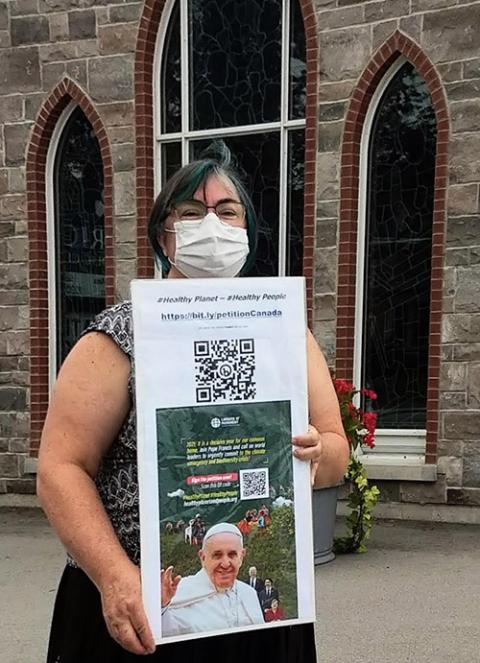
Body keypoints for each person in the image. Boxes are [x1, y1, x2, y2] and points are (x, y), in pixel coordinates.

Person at [38, 144, 349, 662]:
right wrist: (116, 578)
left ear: (246, 230)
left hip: (253, 614)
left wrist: (317, 453)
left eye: (227, 212)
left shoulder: (284, 331)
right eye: (190, 212)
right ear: (164, 233)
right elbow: (60, 467)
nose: (212, 224)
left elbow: (336, 449)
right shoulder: (117, 337)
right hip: (142, 606)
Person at [161, 523, 263, 636]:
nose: (225, 564)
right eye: (217, 555)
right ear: (203, 558)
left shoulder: (249, 593)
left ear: (241, 557)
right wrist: (161, 607)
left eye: (232, 555)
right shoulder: (179, 594)